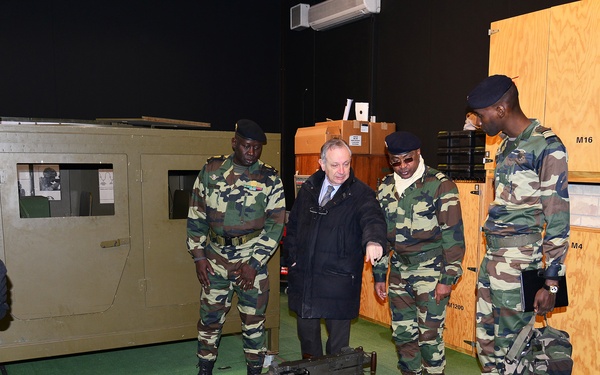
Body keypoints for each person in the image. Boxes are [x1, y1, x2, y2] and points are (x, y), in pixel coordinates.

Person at [466, 75, 570, 373]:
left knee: (513, 352)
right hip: (493, 261)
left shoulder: (547, 145)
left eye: (481, 115)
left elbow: (558, 216)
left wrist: (551, 283)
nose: (478, 121)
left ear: (500, 109)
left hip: (519, 264)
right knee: (487, 348)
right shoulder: (506, 146)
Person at [187, 119, 286, 375]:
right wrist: (199, 257)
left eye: (257, 148)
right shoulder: (211, 170)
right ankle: (205, 368)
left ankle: (254, 370)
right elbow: (196, 215)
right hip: (215, 260)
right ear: (235, 143)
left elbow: (275, 226)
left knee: (254, 323)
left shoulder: (270, 178)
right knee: (209, 321)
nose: (251, 152)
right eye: (246, 146)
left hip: (251, 261)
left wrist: (254, 264)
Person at [373, 131, 465, 375]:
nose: (402, 167)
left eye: (408, 160)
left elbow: (453, 237)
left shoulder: (440, 184)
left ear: (418, 154)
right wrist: (380, 273)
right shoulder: (384, 187)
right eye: (395, 161)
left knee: (429, 337)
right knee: (403, 335)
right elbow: (381, 236)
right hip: (399, 271)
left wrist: (447, 279)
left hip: (431, 271)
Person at [284, 138, 387, 359]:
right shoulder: (309, 189)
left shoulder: (361, 194)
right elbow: (293, 227)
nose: (342, 171)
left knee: (338, 353)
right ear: (322, 164)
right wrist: (292, 260)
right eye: (335, 165)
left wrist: (374, 241)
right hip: (306, 280)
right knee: (309, 345)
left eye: (346, 164)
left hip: (338, 283)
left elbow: (373, 219)